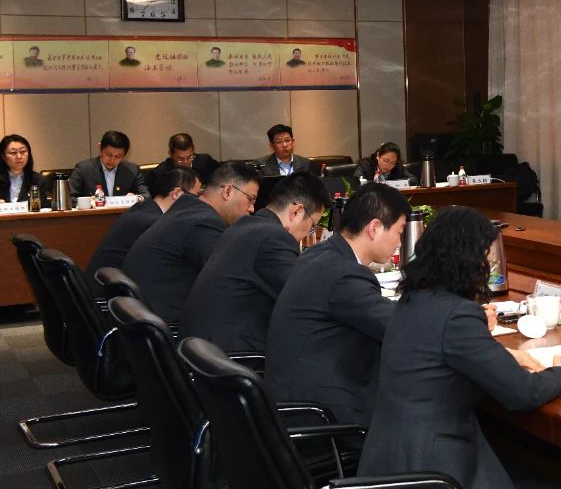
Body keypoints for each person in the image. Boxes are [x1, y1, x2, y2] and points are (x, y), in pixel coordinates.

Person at [360, 207, 561, 489]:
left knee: (522, 482)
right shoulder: (457, 315)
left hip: (388, 481)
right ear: (469, 259)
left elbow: (447, 356)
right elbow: (521, 394)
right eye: (486, 256)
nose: (489, 265)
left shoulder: (412, 301)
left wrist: (498, 353)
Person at [265, 183, 409, 426]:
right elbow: (400, 326)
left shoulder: (319, 254)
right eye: (399, 232)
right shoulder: (344, 274)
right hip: (320, 415)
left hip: (293, 396)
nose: (399, 243)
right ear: (374, 227)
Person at [181, 173, 330, 354]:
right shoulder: (273, 238)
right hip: (233, 357)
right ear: (297, 212)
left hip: (203, 351)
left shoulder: (245, 226)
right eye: (313, 226)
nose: (309, 233)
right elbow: (305, 299)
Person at [123, 162, 259, 323]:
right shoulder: (203, 222)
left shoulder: (189, 210)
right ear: (228, 191)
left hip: (145, 315)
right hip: (169, 324)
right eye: (250, 199)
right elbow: (230, 278)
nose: (252, 209)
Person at [85, 167, 200, 294]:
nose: (199, 203)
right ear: (176, 194)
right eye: (195, 197)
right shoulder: (154, 223)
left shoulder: (143, 208)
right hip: (107, 295)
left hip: (105, 290)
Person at [69, 130, 149, 198]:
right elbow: (70, 198)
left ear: (125, 155)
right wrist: (88, 203)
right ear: (100, 147)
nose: (112, 160)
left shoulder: (132, 170)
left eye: (118, 156)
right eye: (109, 155)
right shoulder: (83, 169)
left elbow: (146, 195)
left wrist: (137, 198)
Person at [145, 132, 219, 193]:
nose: (186, 162)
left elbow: (221, 177)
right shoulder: (159, 174)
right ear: (170, 154)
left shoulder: (205, 161)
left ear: (193, 151)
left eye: (190, 157)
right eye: (180, 159)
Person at [0, 135, 42, 205]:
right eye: (13, 153)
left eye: (23, 151)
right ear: (3, 156)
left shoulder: (39, 180)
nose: (19, 156)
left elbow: (44, 207)